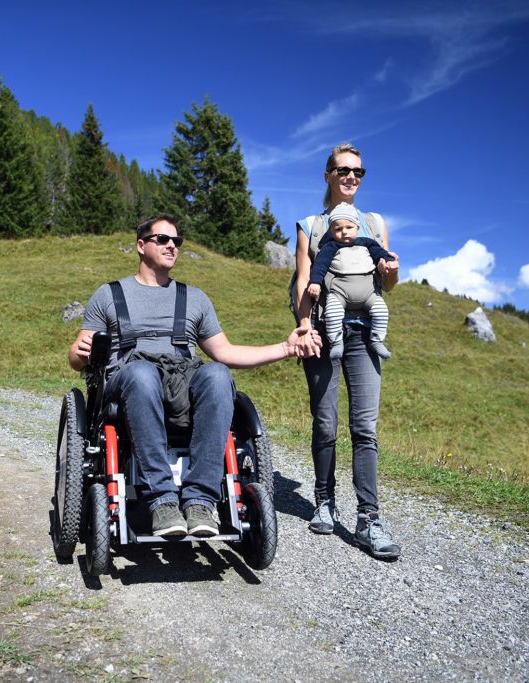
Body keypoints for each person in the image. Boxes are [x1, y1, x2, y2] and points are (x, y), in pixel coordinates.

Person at [69, 214, 318, 538]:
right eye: (163, 239)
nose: (172, 245)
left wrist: (285, 348)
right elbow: (78, 361)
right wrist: (78, 349)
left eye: (176, 241)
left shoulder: (195, 299)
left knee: (216, 374)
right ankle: (162, 502)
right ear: (141, 246)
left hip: (181, 377)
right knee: (143, 374)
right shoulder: (108, 294)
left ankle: (200, 502)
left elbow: (226, 353)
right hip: (128, 380)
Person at [292, 143, 402, 559]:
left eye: (358, 171)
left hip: (364, 332)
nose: (351, 177)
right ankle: (323, 500)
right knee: (325, 422)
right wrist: (305, 326)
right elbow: (305, 279)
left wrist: (391, 273)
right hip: (324, 331)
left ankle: (368, 518)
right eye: (343, 170)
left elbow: (386, 285)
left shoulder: (374, 222)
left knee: (365, 428)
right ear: (328, 175)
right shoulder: (311, 224)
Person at [306, 202, 398, 361]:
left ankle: (377, 340)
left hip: (369, 293)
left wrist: (387, 262)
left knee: (381, 311)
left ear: (357, 227)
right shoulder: (330, 247)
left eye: (349, 227)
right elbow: (320, 265)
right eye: (338, 229)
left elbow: (380, 254)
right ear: (332, 231)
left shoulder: (367, 243)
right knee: (332, 312)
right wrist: (315, 282)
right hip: (340, 293)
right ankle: (336, 342)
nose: (344, 232)